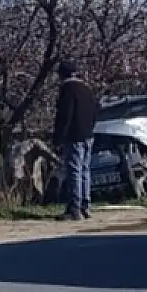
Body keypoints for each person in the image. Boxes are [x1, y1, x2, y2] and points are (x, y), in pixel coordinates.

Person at [51, 59, 98, 221]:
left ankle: (74, 207)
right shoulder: (86, 88)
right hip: (88, 135)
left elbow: (65, 115)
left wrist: (58, 137)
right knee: (85, 170)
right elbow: (94, 112)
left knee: (74, 171)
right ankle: (86, 206)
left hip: (74, 135)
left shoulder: (68, 89)